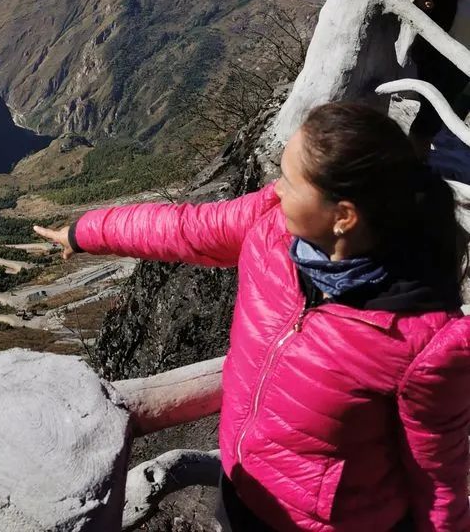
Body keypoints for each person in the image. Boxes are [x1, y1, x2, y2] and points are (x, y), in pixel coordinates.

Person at [34, 102, 470, 532]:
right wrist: (85, 232)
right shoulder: (271, 225)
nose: (277, 188)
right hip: (240, 491)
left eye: (290, 181)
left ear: (343, 217)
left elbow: (438, 482)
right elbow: (184, 229)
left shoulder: (425, 344)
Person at [410, 0, 470, 154]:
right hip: (437, 55)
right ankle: (417, 159)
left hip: (464, 59)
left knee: (449, 105)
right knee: (431, 110)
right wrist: (424, 0)